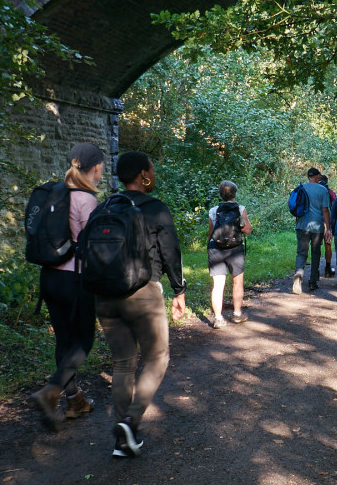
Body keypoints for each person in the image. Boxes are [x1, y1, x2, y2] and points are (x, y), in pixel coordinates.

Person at [96, 151, 186, 459]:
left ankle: (123, 440)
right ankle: (131, 421)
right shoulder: (155, 208)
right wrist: (179, 290)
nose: (155, 174)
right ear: (143, 175)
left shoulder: (106, 206)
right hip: (143, 291)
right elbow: (171, 251)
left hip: (105, 295)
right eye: (152, 169)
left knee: (123, 362)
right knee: (158, 357)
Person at [27, 142, 104, 431]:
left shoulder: (56, 194)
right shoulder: (88, 201)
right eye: (101, 168)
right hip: (76, 282)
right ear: (95, 168)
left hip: (49, 278)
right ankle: (51, 392)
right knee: (83, 342)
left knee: (64, 341)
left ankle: (74, 401)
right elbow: (93, 248)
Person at [206, 180, 252, 329]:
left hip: (216, 248)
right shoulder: (240, 209)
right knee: (237, 282)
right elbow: (247, 230)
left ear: (220, 194)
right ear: (234, 194)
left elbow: (211, 232)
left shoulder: (213, 210)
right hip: (235, 248)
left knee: (218, 285)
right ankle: (237, 314)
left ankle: (218, 318)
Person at [294, 167, 332, 294]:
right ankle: (312, 281)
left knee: (301, 253)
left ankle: (298, 277)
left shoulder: (301, 188)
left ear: (308, 176)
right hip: (317, 227)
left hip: (301, 225)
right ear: (317, 176)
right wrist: (329, 228)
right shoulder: (322, 190)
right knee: (316, 253)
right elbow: (325, 210)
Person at [318, 174, 337, 278]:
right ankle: (327, 269)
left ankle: (315, 271)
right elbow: (335, 207)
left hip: (316, 222)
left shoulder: (315, 192)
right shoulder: (330, 192)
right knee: (328, 245)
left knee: (315, 246)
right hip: (327, 222)